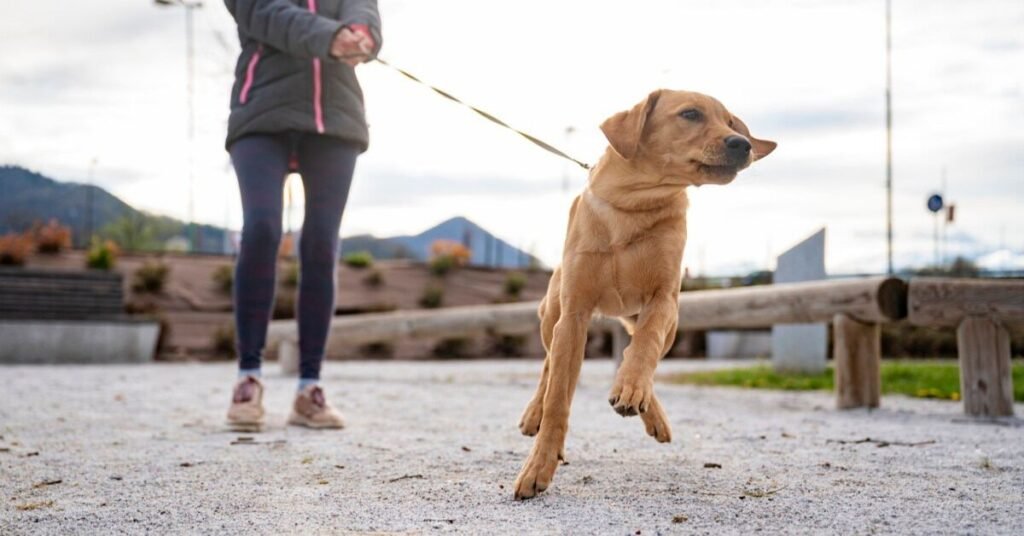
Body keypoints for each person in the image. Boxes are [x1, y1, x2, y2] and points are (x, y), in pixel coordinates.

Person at [222, 0, 381, 430]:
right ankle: (248, 377)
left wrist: (361, 33)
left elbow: (364, 11)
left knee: (322, 242)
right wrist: (330, 37)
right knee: (262, 228)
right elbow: (263, 13)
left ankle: (309, 388)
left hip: (337, 118)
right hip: (262, 111)